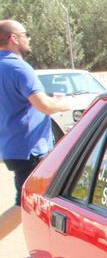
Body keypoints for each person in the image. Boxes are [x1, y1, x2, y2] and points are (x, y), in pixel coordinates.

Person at [0, 20, 70, 240]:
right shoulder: (18, 67)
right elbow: (44, 106)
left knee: (44, 201)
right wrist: (62, 104)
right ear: (13, 38)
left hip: (13, 147)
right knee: (24, 204)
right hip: (30, 149)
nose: (28, 38)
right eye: (25, 34)